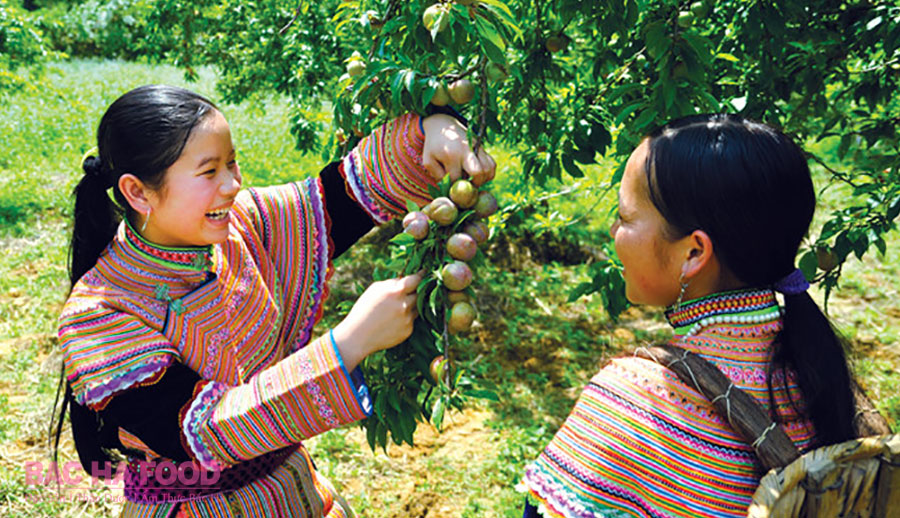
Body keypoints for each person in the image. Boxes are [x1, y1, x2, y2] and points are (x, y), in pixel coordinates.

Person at [53, 84, 495, 517]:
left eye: (232, 163)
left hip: (294, 492)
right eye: (209, 172)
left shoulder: (239, 225)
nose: (232, 184)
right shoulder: (99, 315)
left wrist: (428, 130)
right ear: (137, 192)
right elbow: (197, 433)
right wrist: (346, 346)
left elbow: (340, 198)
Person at [520, 114, 858, 518]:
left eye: (625, 218)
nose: (613, 232)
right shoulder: (813, 374)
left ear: (694, 252)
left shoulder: (635, 400)